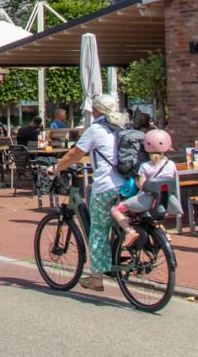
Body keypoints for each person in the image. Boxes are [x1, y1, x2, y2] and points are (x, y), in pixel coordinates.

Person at [54, 93, 131, 291]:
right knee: (118, 221)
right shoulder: (123, 127)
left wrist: (56, 168)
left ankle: (96, 278)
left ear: (95, 110)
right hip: (126, 185)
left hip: (105, 186)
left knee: (97, 229)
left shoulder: (95, 129)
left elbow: (74, 154)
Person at [109, 129, 179, 250]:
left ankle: (129, 232)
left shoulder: (145, 166)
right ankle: (164, 233)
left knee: (115, 209)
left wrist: (136, 181)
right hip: (165, 201)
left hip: (145, 201)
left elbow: (142, 185)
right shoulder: (171, 164)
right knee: (153, 217)